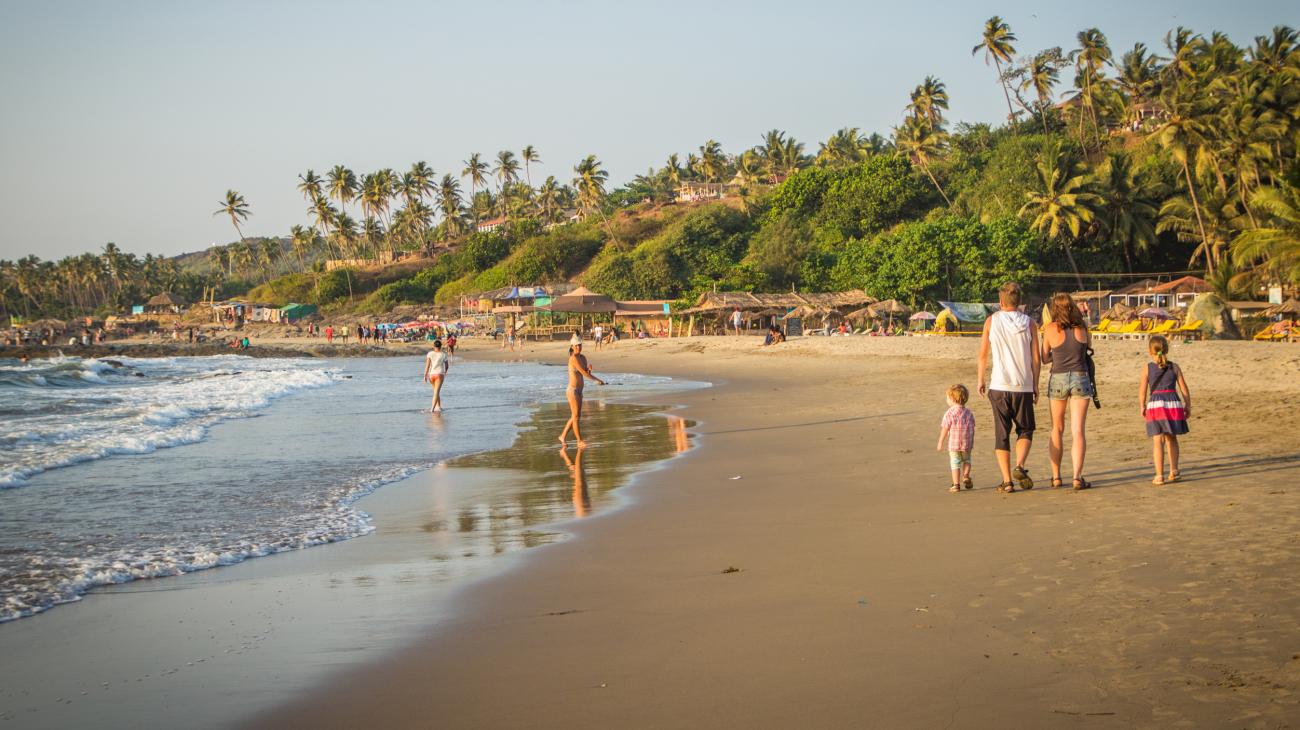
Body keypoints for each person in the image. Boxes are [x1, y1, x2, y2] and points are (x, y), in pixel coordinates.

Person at [977, 282, 1040, 493]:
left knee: (1002, 433)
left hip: (999, 384)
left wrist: (981, 380)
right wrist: (1036, 384)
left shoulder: (991, 321)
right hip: (1023, 384)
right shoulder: (1030, 323)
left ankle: (1007, 481)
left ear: (1001, 301)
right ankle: (1019, 465)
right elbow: (1036, 358)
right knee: (1025, 429)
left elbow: (983, 354)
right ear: (1019, 301)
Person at [1042, 293, 1094, 491]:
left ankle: (1056, 476)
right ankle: (1077, 477)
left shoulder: (1050, 329)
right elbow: (1089, 348)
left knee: (1057, 427)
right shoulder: (1082, 328)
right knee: (1078, 430)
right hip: (1080, 376)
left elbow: (1045, 357)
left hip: (1058, 377)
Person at [1141, 335, 1191, 485]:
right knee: (1171, 438)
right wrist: (1187, 405)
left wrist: (1142, 406)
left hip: (1156, 404)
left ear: (1150, 351)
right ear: (1166, 349)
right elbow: (1184, 389)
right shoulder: (1174, 367)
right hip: (1172, 403)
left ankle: (1159, 475)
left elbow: (1142, 391)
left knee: (1158, 441)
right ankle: (1174, 471)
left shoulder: (1147, 368)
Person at [559, 337, 606, 448]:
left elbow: (585, 371)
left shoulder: (583, 358)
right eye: (576, 345)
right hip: (572, 391)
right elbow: (583, 374)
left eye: (580, 345)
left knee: (576, 416)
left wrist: (589, 369)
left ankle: (562, 436)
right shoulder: (573, 359)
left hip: (579, 390)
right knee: (575, 417)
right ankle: (579, 441)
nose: (578, 347)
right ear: (572, 347)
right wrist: (597, 380)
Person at [936, 384, 975, 493]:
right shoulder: (969, 413)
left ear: (953, 399)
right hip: (967, 443)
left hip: (954, 444)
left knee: (955, 463)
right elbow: (973, 426)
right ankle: (966, 475)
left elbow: (945, 428)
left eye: (948, 397)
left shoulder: (949, 413)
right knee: (967, 460)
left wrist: (940, 442)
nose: (947, 400)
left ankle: (956, 484)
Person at [423, 339, 450, 412]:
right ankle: (432, 409)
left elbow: (427, 365)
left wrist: (425, 375)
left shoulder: (430, 353)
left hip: (431, 375)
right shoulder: (444, 354)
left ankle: (439, 407)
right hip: (439, 374)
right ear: (441, 346)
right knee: (436, 392)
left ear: (433, 346)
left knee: (436, 391)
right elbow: (447, 365)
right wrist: (445, 372)